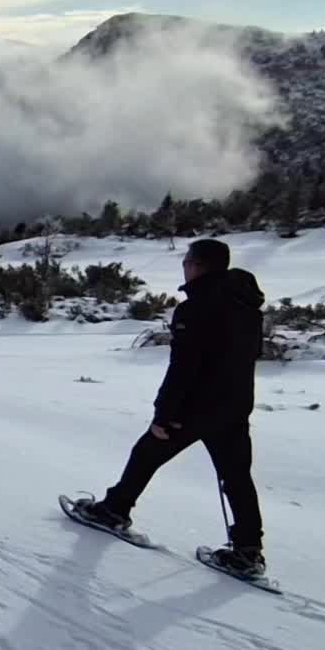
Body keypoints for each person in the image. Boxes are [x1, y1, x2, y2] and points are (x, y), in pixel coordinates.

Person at [73, 238, 268, 575]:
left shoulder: (196, 308)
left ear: (199, 265)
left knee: (147, 452)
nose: (184, 266)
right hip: (235, 407)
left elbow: (184, 366)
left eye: (187, 261)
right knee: (236, 477)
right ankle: (248, 551)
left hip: (195, 408)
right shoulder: (248, 308)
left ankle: (114, 510)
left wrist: (164, 414)